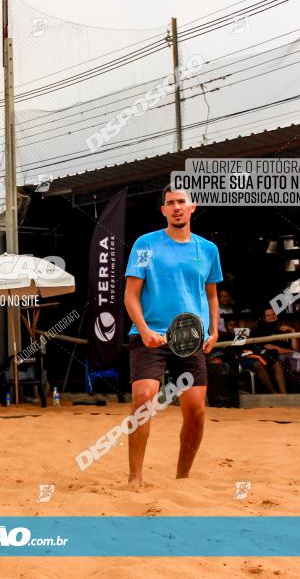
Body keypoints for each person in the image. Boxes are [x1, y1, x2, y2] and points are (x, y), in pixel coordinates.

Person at [123, 185, 222, 491]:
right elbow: (130, 296)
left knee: (196, 410)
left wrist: (214, 329)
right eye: (170, 203)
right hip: (149, 335)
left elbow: (211, 294)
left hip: (191, 338)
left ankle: (182, 478)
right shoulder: (145, 244)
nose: (177, 207)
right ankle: (135, 477)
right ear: (163, 210)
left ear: (192, 208)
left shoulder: (208, 250)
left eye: (182, 202)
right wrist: (144, 330)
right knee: (144, 399)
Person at [255, 308, 300, 393]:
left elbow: (296, 349)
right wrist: (290, 352)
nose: (272, 317)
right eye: (268, 315)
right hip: (278, 357)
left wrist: (292, 331)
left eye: (273, 314)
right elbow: (268, 347)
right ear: (264, 318)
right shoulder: (262, 330)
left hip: (292, 355)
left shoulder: (281, 330)